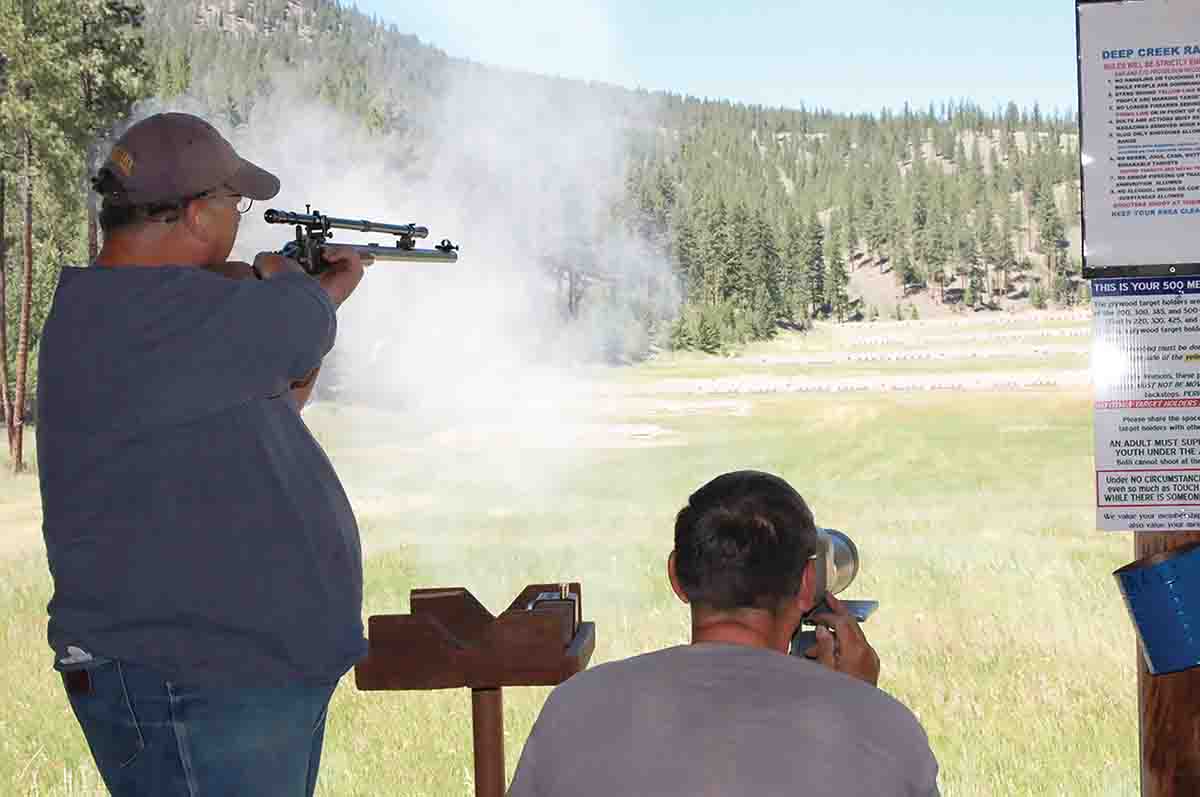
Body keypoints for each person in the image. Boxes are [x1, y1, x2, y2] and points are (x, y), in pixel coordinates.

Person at [36, 112, 367, 796]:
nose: (239, 218)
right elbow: (299, 325)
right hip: (191, 683)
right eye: (232, 201)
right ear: (192, 215)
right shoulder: (139, 312)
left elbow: (271, 394)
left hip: (229, 681)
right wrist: (305, 286)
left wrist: (290, 293)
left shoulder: (158, 315)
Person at [508, 470, 940, 797]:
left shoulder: (575, 709)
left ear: (677, 576)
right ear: (808, 583)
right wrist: (857, 707)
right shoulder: (887, 729)